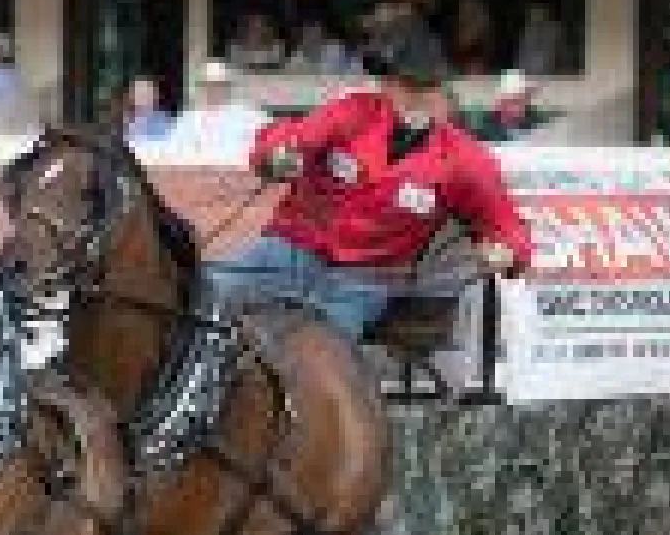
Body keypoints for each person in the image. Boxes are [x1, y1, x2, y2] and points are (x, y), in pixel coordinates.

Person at [208, 28, 532, 342]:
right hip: (290, 250)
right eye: (404, 85)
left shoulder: (466, 159)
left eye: (426, 88)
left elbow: (509, 228)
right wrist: (277, 156)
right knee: (204, 298)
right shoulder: (351, 111)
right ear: (388, 85)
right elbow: (286, 138)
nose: (414, 97)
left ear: (442, 93)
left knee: (314, 350)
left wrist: (506, 251)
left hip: (364, 278)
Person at [165, 60, 268, 161]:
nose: (213, 90)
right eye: (207, 85)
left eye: (219, 85)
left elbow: (264, 146)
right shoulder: (186, 118)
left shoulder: (249, 116)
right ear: (200, 88)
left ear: (228, 87)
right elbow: (173, 149)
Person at [120, 76, 174, 143]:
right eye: (140, 94)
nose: (144, 99)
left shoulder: (162, 120)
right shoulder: (126, 119)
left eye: (147, 94)